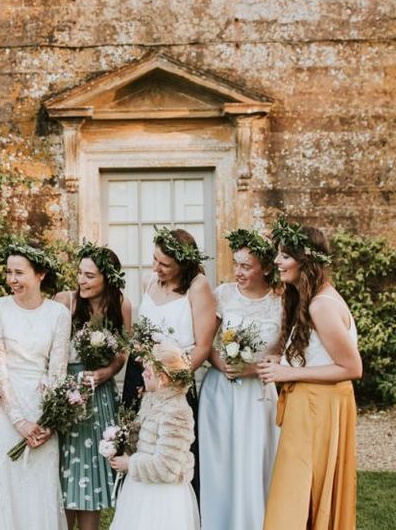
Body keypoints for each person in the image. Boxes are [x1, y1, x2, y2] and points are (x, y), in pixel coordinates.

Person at [257, 219, 361, 530]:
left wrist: (285, 373)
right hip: (310, 405)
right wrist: (283, 360)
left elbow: (352, 368)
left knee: (300, 490)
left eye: (285, 255)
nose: (276, 261)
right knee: (302, 489)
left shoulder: (321, 305)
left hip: (320, 409)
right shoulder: (309, 298)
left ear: (307, 261)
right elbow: (320, 354)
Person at [0, 242, 71, 530]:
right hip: (4, 410)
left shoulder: (58, 313)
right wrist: (18, 419)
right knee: (4, 485)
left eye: (19, 272)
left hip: (42, 410)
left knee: (38, 488)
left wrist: (49, 421)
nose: (12, 280)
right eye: (8, 272)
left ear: (40, 274)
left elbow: (58, 370)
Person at [121, 226, 217, 499]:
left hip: (175, 382)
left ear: (183, 264)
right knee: (138, 443)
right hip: (141, 375)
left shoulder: (197, 287)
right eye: (155, 260)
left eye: (165, 264)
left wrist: (173, 379)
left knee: (168, 451)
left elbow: (204, 346)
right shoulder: (149, 281)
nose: (157, 268)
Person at [198, 228, 282, 530]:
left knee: (254, 460)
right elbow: (204, 343)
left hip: (258, 395)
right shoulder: (223, 294)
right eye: (236, 264)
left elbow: (285, 354)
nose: (238, 272)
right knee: (221, 463)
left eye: (246, 266)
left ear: (267, 268)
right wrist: (225, 366)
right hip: (220, 393)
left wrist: (253, 369)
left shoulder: (281, 302)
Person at [54, 242, 132, 530]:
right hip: (67, 396)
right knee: (65, 474)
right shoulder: (65, 301)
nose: (81, 281)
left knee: (90, 477)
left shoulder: (121, 304)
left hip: (99, 398)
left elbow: (123, 352)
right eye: (80, 274)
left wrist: (105, 372)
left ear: (107, 278)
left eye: (90, 275)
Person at [109, 341, 199, 530]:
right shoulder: (152, 399)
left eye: (148, 370)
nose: (142, 374)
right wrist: (120, 441)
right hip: (141, 487)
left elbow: (167, 467)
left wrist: (130, 463)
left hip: (163, 496)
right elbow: (143, 442)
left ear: (163, 377)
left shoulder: (177, 412)